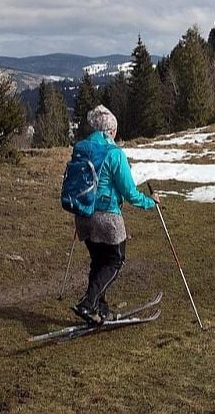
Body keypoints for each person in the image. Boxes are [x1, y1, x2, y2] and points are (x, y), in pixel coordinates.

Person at [70, 105, 159, 325]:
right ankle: (88, 304)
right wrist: (151, 202)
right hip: (107, 218)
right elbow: (129, 192)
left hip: (82, 214)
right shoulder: (115, 154)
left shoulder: (81, 148)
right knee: (114, 261)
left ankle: (99, 309)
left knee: (98, 262)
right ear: (110, 131)